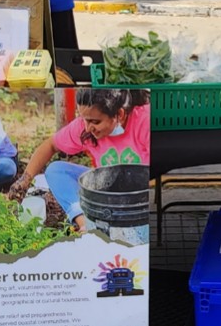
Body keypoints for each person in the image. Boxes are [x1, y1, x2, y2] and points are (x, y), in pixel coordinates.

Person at [8, 88, 150, 233]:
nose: (88, 128)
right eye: (85, 120)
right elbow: (50, 145)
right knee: (56, 170)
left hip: (140, 197)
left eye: (95, 121)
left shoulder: (144, 120)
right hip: (106, 191)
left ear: (119, 114)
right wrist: (25, 180)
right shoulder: (84, 128)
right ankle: (86, 224)